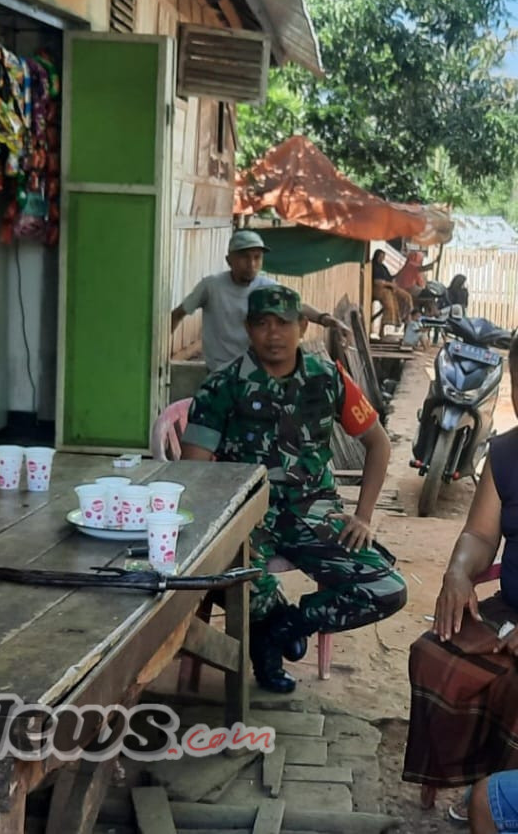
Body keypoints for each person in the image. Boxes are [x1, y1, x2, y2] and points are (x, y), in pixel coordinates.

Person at [180, 285, 406, 693]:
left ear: (302, 326)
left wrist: (364, 515)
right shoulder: (221, 387)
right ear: (248, 329)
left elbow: (379, 443)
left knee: (387, 589)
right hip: (246, 514)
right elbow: (194, 470)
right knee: (238, 576)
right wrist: (219, 527)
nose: (273, 333)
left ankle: (283, 625)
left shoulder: (327, 378)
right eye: (262, 323)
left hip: (315, 511)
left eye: (283, 323)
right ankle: (266, 644)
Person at [403, 335, 518, 810]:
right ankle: (484, 783)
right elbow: (479, 535)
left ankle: (499, 799)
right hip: (510, 609)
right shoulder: (507, 453)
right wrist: (457, 571)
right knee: (434, 652)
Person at [171, 230, 352, 372]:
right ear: (229, 260)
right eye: (244, 257)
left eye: (257, 257)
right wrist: (159, 351)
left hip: (254, 371)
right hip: (218, 372)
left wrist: (327, 320)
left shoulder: (267, 287)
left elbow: (297, 306)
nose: (251, 264)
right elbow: (179, 313)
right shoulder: (211, 287)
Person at [370, 248, 414, 328]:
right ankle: (386, 324)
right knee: (390, 305)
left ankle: (404, 316)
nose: (382, 258)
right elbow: (377, 282)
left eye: (383, 257)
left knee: (407, 297)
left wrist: (395, 280)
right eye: (381, 256)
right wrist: (390, 285)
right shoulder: (374, 266)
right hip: (380, 289)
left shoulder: (383, 267)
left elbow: (390, 278)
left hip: (391, 288)